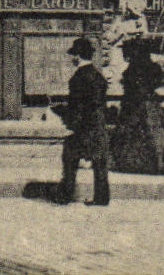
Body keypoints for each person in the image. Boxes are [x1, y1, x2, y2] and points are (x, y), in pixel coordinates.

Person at [111, 39, 164, 175]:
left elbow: (132, 86)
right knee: (156, 135)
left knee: (131, 135)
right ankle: (158, 163)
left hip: (133, 105)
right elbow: (157, 82)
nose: (125, 54)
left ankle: (132, 163)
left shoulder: (131, 69)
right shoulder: (151, 67)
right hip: (149, 104)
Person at [54, 37, 110, 206]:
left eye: (73, 55)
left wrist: (62, 112)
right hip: (99, 126)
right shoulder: (99, 76)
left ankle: (66, 195)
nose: (72, 59)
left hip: (84, 128)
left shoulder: (77, 78)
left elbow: (77, 107)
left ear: (78, 56)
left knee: (70, 158)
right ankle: (102, 198)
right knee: (100, 164)